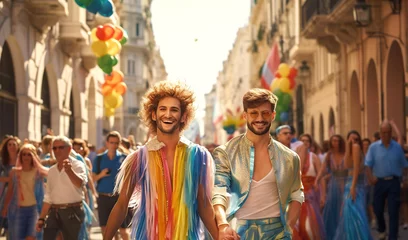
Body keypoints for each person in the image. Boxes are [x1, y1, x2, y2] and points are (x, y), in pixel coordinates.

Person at [104, 81, 218, 239]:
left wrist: (220, 236)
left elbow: (204, 206)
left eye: (174, 110)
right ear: (153, 114)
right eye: (163, 109)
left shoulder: (198, 156)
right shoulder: (139, 158)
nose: (168, 114)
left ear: (183, 116)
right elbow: (122, 205)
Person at [212, 88, 303, 239]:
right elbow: (218, 191)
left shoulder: (290, 157)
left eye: (265, 113)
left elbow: (297, 193)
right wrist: (222, 225)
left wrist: (289, 227)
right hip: (238, 232)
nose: (259, 118)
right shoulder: (226, 152)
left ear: (273, 115)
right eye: (254, 113)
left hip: (278, 232)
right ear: (245, 115)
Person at [35, 136, 88, 239]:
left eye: (61, 147)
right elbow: (48, 196)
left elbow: (80, 184)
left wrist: (69, 171)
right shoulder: (52, 170)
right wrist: (41, 218)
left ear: (69, 149)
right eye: (54, 148)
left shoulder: (77, 165)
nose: (57, 151)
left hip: (72, 211)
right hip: (54, 212)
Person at [365, 121, 408, 240]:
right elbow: (367, 164)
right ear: (380, 133)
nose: (385, 135)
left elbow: (404, 165)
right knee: (377, 208)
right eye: (383, 133)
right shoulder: (373, 147)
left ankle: (393, 237)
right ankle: (382, 229)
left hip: (394, 182)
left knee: (393, 210)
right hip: (379, 182)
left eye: (388, 133)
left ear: (391, 133)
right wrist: (370, 178)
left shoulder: (397, 148)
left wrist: (404, 179)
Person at [1, 144, 48, 240]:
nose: (26, 157)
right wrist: (5, 207)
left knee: (32, 236)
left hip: (34, 209)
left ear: (33, 156)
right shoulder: (14, 172)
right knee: (18, 236)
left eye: (29, 154)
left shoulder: (39, 172)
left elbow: (52, 174)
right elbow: (10, 190)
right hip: (18, 209)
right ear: (20, 156)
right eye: (24, 154)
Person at [333, 130, 372, 239]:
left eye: (356, 139)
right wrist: (347, 147)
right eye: (351, 139)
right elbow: (346, 166)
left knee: (356, 215)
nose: (354, 141)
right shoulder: (351, 149)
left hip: (355, 187)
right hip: (350, 186)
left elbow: (355, 170)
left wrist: (353, 187)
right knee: (348, 216)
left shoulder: (356, 148)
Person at [92, 131, 130, 240]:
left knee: (123, 231)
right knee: (106, 230)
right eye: (112, 142)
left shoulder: (125, 158)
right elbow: (93, 178)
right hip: (103, 197)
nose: (114, 145)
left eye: (116, 143)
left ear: (119, 144)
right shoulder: (99, 159)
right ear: (107, 143)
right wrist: (101, 174)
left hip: (119, 198)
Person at [315, 134, 346, 239]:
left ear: (340, 142)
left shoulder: (345, 154)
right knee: (331, 208)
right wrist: (317, 180)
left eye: (337, 141)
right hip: (333, 186)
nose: (335, 143)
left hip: (345, 183)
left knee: (343, 208)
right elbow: (323, 169)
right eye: (333, 141)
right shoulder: (329, 155)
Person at [0, 136, 21, 236]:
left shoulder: (22, 160)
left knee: (12, 229)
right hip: (2, 195)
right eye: (9, 145)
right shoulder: (2, 162)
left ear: (18, 146)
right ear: (6, 147)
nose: (12, 147)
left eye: (14, 144)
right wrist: (8, 179)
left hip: (17, 197)